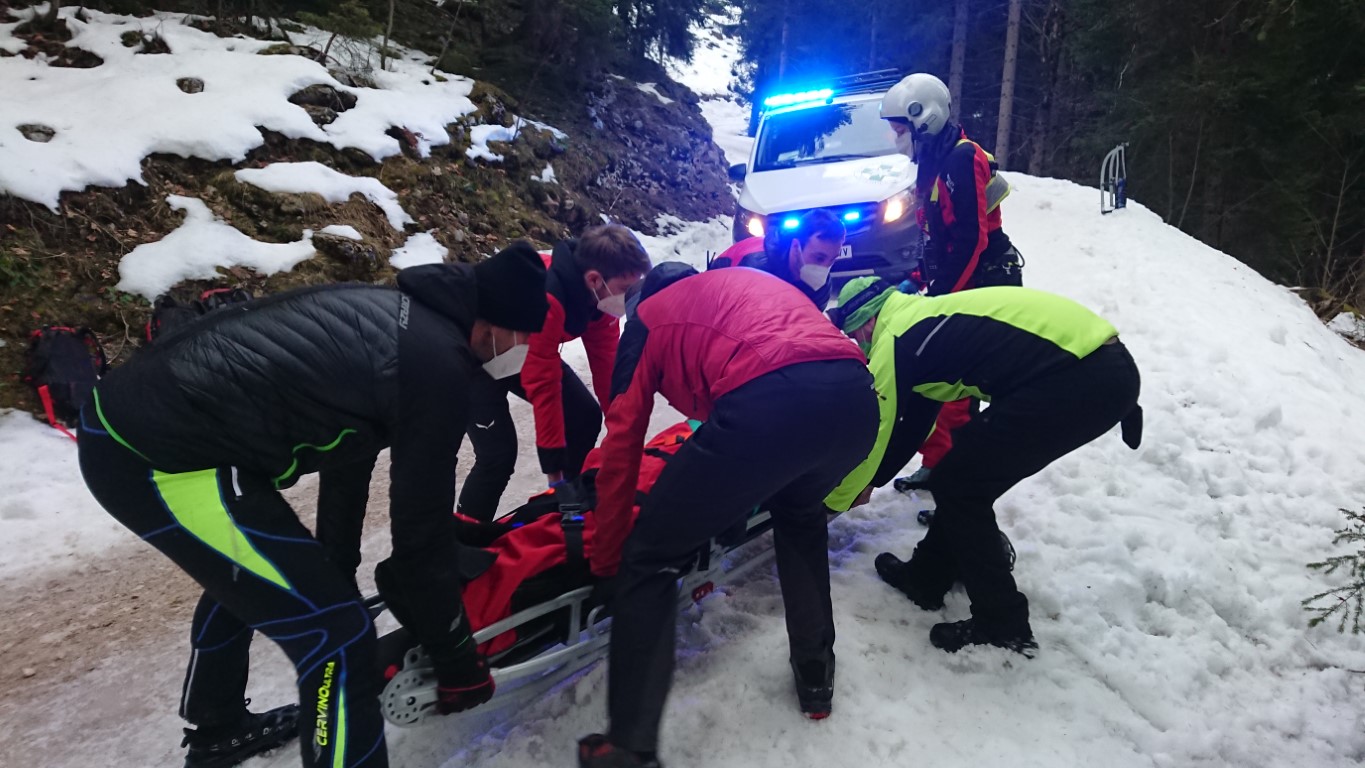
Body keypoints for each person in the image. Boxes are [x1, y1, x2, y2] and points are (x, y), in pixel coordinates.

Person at [77, 243, 550, 768]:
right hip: (156, 456)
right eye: (525, 336)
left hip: (144, 422)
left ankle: (217, 727)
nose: (525, 350)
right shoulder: (437, 362)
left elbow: (348, 461)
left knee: (257, 573)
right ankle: (221, 727)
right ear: (494, 324)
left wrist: (336, 568)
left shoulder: (405, 318)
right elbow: (420, 534)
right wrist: (457, 657)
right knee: (337, 634)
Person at [576, 265, 879, 768]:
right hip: (856, 401)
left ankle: (630, 747)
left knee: (649, 555)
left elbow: (623, 437)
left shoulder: (648, 318)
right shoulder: (735, 287)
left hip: (774, 397)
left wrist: (610, 560)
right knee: (800, 518)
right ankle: (815, 676)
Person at [825, 277, 1142, 656]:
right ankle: (927, 577)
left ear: (866, 321)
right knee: (958, 478)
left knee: (962, 487)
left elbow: (879, 425)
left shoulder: (896, 336)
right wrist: (875, 479)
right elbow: (913, 426)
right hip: (1101, 368)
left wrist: (838, 499)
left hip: (1080, 375)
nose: (859, 345)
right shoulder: (921, 322)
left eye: (855, 336)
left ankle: (1002, 622)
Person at [880, 72, 1025, 491]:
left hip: (985, 278)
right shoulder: (935, 158)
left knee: (958, 382)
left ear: (923, 118)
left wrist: (944, 296)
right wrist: (920, 277)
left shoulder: (962, 158)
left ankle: (960, 478)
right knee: (948, 384)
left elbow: (971, 238)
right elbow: (938, 235)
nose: (895, 138)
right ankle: (942, 465)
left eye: (898, 129)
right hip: (964, 278)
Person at [458, 223, 652, 520]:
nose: (629, 298)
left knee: (584, 416)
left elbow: (608, 372)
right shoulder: (549, 296)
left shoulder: (600, 302)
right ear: (594, 279)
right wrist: (554, 471)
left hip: (528, 349)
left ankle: (567, 505)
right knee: (497, 456)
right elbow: (544, 385)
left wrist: (622, 437)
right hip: (480, 351)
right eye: (626, 289)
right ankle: (465, 532)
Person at [708, 208, 844, 309]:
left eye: (832, 260)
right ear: (795, 247)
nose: (824, 268)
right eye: (819, 258)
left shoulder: (820, 286)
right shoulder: (755, 270)